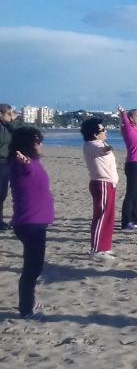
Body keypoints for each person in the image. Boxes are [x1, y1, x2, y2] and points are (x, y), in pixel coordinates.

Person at [9, 127, 54, 318]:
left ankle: (29, 302)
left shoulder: (34, 162)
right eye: (37, 141)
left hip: (36, 222)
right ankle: (26, 309)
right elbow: (23, 168)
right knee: (32, 269)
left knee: (34, 267)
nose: (41, 144)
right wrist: (24, 163)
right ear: (28, 144)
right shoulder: (20, 164)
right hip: (30, 223)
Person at [82, 117, 119, 261]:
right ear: (95, 133)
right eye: (103, 130)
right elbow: (102, 150)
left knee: (108, 217)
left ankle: (104, 247)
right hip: (101, 183)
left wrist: (106, 147)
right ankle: (96, 249)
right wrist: (108, 148)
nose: (106, 131)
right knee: (101, 216)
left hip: (109, 183)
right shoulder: (92, 144)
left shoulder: (98, 143)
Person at [117, 105, 137, 230]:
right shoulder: (128, 129)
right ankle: (126, 222)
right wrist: (122, 112)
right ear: (130, 118)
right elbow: (124, 118)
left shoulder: (136, 128)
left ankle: (136, 220)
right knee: (131, 194)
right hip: (133, 164)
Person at [0, 103, 14, 230]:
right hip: (1, 162)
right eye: (8, 113)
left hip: (6, 163)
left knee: (3, 193)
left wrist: (11, 122)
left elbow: (17, 133)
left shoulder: (7, 127)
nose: (11, 116)